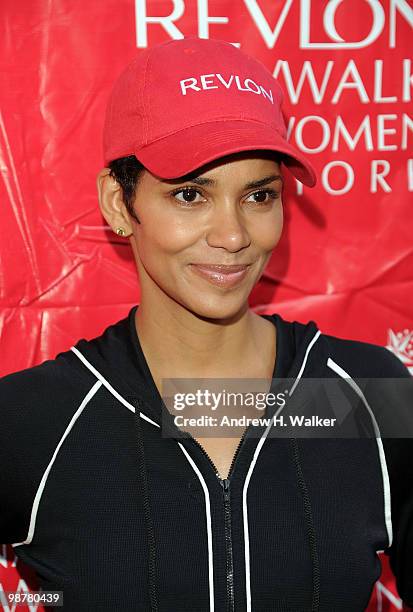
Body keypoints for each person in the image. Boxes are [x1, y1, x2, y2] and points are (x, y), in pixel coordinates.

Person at [1, 36, 412, 612]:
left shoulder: (369, 395)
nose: (234, 236)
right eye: (191, 194)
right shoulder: (30, 420)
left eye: (259, 195)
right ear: (119, 203)